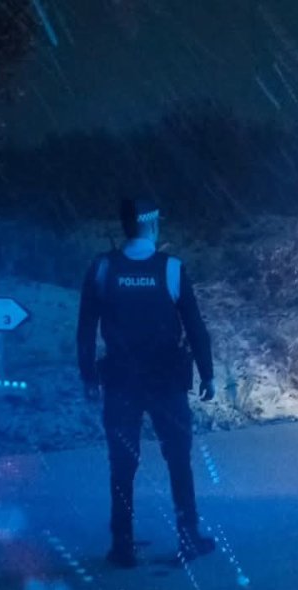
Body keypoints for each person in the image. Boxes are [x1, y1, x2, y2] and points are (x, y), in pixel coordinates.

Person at [77, 198, 217, 568]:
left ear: (124, 226)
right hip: (166, 381)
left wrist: (89, 376)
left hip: (120, 381)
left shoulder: (103, 267)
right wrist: (207, 373)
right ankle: (188, 537)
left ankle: (122, 546)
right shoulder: (171, 268)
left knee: (122, 464)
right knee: (178, 460)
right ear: (153, 225)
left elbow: (86, 329)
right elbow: (195, 327)